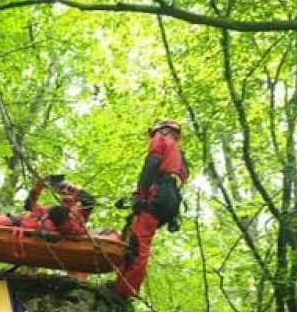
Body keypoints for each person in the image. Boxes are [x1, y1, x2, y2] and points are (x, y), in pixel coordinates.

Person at [114, 119, 188, 299]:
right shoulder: (180, 158)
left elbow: (151, 166)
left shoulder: (161, 141)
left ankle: (123, 290)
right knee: (133, 235)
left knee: (137, 244)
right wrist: (133, 197)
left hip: (158, 195)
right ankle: (123, 284)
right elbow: (172, 181)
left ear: (162, 131)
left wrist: (140, 194)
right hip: (169, 201)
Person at [20, 175, 96, 235]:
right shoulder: (51, 211)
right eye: (62, 189)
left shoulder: (80, 213)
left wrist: (73, 188)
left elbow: (90, 201)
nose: (65, 191)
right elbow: (29, 205)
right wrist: (39, 185)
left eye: (69, 190)